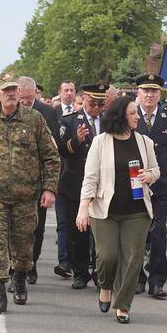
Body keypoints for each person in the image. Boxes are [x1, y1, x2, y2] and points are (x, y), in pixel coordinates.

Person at [0, 77, 60, 314]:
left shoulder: (34, 119)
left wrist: (49, 189)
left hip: (26, 196)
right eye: (6, 90)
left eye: (14, 90)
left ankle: (19, 277)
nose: (11, 94)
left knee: (24, 243)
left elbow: (51, 157)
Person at [77, 94, 159, 323]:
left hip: (137, 211)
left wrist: (149, 175)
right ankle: (105, 285)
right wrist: (83, 208)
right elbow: (90, 177)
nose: (137, 117)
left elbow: (156, 169)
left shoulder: (144, 141)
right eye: (133, 113)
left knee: (133, 260)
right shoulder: (100, 142)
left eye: (137, 113)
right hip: (105, 210)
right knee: (108, 256)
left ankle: (123, 304)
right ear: (121, 116)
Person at [56, 84, 106, 290]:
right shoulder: (69, 121)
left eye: (100, 104)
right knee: (77, 232)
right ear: (83, 99)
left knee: (101, 231)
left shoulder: (109, 121)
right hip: (75, 182)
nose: (96, 108)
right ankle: (80, 271)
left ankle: (100, 270)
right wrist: (76, 140)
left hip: (102, 184)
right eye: (93, 103)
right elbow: (61, 150)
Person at [133, 74, 167, 299]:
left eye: (154, 91)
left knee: (159, 236)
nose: (150, 95)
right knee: (138, 235)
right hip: (135, 185)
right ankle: (137, 278)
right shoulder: (130, 116)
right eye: (145, 90)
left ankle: (157, 281)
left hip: (160, 186)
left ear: (160, 94)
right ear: (138, 93)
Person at [16, 75, 62, 281]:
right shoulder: (11, 111)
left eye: (28, 97)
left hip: (39, 179)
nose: (25, 102)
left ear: (36, 93)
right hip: (16, 181)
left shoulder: (48, 112)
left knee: (37, 226)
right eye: (21, 98)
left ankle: (32, 263)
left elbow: (53, 150)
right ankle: (17, 266)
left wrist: (50, 186)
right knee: (16, 228)